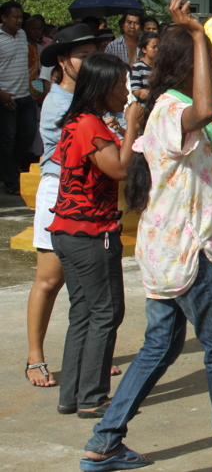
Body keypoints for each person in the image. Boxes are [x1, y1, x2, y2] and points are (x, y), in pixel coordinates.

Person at [80, 0, 212, 471]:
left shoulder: (165, 109)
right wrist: (198, 35)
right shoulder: (174, 110)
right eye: (203, 62)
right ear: (187, 65)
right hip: (184, 253)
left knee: (161, 345)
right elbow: (207, 110)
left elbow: (199, 190)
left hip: (176, 249)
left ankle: (105, 440)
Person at [48, 53, 142, 419]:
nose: (127, 91)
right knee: (106, 312)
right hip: (89, 232)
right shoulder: (88, 124)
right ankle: (92, 396)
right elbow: (119, 168)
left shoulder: (82, 121)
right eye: (121, 84)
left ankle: (72, 395)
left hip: (71, 231)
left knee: (84, 313)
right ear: (103, 87)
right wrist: (132, 125)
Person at [25, 25, 113, 389]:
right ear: (62, 61)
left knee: (88, 284)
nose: (90, 60)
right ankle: (35, 357)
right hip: (58, 195)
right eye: (82, 55)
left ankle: (91, 356)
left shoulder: (95, 102)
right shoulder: (59, 103)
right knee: (49, 279)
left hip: (90, 200)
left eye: (94, 53)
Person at [0, 0, 36, 194]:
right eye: (15, 17)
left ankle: (9, 168)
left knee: (29, 134)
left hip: (25, 95)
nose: (19, 21)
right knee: (8, 140)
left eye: (20, 17)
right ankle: (11, 181)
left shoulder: (22, 34)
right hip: (7, 98)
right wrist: (3, 95)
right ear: (4, 18)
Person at [130, 32, 159, 102]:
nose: (157, 49)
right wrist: (141, 92)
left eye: (159, 47)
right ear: (144, 49)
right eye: (153, 47)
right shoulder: (137, 67)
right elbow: (135, 89)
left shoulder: (162, 66)